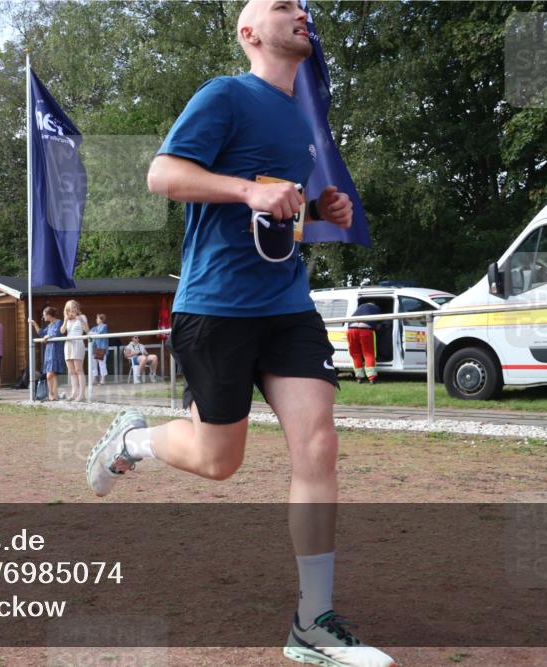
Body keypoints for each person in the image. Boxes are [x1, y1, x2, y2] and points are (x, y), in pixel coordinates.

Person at [88, 3, 395, 666]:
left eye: (303, 5)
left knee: (318, 439)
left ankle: (313, 620)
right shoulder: (226, 95)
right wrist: (247, 191)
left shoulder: (304, 119)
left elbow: (276, 216)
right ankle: (133, 439)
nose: (300, 11)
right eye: (283, 5)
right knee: (218, 461)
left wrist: (319, 212)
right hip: (216, 307)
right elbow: (162, 175)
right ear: (250, 33)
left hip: (286, 306)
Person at [28, 307, 64, 401]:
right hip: (48, 351)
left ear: (48, 315)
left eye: (44, 315)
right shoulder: (50, 325)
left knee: (49, 375)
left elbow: (57, 333)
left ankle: (51, 394)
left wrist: (48, 336)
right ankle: (54, 395)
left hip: (55, 351)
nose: (43, 317)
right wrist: (34, 324)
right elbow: (42, 334)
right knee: (53, 376)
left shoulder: (58, 322)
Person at [347, 302, 380, 384]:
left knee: (355, 353)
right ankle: (371, 377)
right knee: (368, 353)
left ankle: (359, 377)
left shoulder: (360, 307)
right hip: (366, 329)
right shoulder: (376, 308)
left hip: (351, 329)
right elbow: (377, 324)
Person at [88, 314, 109, 385]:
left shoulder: (104, 326)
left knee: (101, 363)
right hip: (94, 347)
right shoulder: (95, 327)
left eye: (97, 318)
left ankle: (103, 379)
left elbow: (100, 333)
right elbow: (89, 332)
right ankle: (95, 378)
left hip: (101, 347)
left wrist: (93, 333)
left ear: (101, 319)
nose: (96, 320)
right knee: (94, 364)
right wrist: (93, 333)